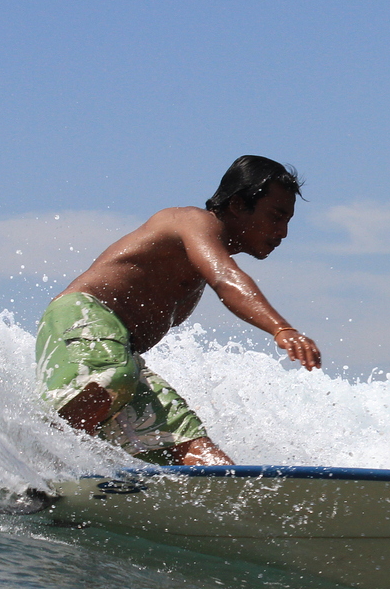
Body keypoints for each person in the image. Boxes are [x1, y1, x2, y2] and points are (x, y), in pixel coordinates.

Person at [35, 156, 321, 466]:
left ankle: (236, 507)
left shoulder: (195, 267)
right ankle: (40, 464)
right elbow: (225, 278)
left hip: (122, 360)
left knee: (193, 447)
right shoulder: (191, 221)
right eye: (276, 216)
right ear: (238, 205)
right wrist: (281, 328)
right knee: (113, 377)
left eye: (287, 221)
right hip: (80, 317)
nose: (283, 232)